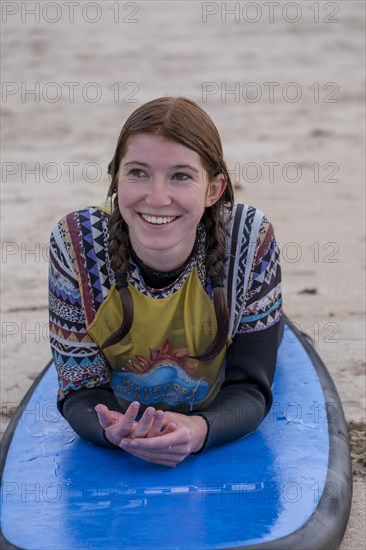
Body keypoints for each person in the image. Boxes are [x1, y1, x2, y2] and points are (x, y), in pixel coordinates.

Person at [48, 96, 282, 467]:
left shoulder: (247, 237)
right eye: (138, 172)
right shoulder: (77, 242)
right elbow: (80, 388)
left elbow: (251, 387)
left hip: (211, 411)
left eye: (181, 175)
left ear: (214, 189)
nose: (157, 198)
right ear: (116, 178)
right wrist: (110, 428)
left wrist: (200, 429)